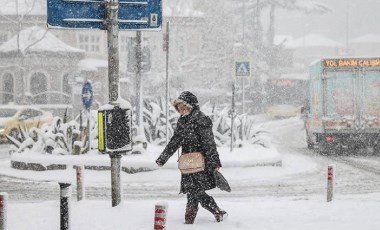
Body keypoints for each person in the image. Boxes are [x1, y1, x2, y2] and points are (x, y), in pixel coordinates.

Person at [155, 91, 227, 224]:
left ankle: (196, 218)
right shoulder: (182, 121)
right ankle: (205, 216)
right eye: (179, 107)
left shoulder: (201, 119)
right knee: (192, 191)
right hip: (188, 162)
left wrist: (214, 161)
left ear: (191, 105)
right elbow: (175, 141)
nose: (180, 109)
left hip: (201, 162)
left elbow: (209, 142)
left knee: (195, 191)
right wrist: (163, 158)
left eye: (183, 106)